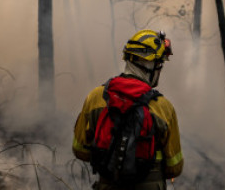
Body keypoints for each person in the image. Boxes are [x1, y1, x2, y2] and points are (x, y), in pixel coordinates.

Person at [73, 30, 183, 189]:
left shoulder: (96, 97)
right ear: (151, 65)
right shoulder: (163, 107)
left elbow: (80, 150)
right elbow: (174, 167)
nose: (160, 71)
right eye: (159, 65)